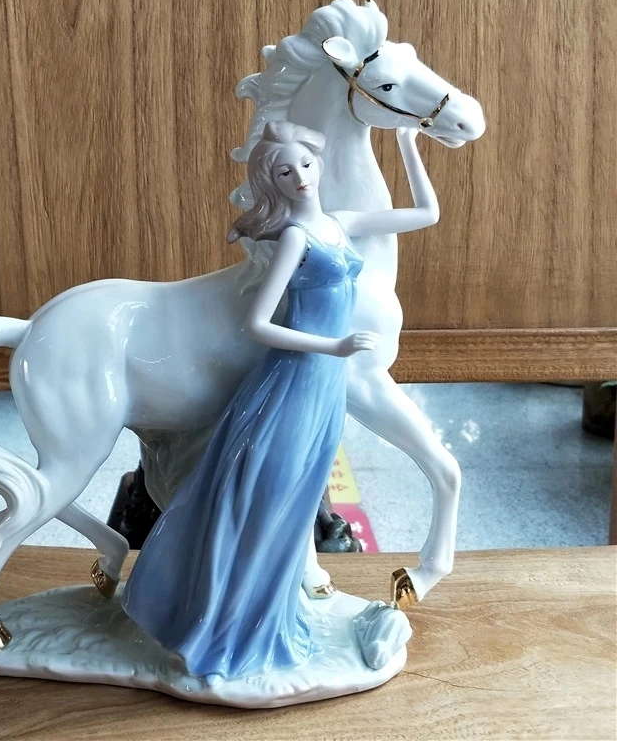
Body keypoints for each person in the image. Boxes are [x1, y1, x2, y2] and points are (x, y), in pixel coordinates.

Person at [122, 119, 436, 679]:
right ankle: (226, 633)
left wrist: (407, 144)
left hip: (324, 389)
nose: (301, 178)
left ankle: (270, 615)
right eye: (285, 172)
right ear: (273, 181)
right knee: (266, 500)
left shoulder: (340, 224)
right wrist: (334, 346)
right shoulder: (295, 238)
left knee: (297, 502)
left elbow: (426, 213)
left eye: (306, 165)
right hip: (294, 382)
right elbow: (258, 324)